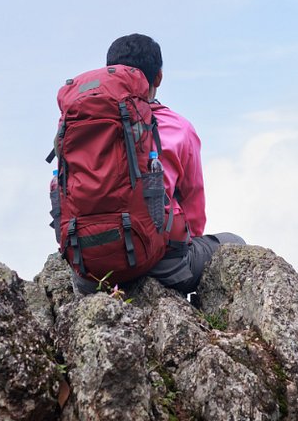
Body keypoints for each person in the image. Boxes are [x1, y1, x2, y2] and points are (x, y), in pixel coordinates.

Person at [71, 33, 244, 295]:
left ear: (110, 72)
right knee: (236, 245)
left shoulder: (79, 126)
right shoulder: (179, 127)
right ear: (159, 77)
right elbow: (193, 209)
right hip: (163, 265)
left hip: (90, 271)